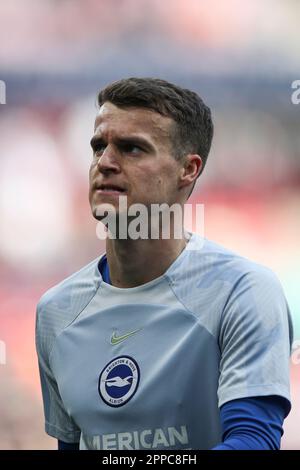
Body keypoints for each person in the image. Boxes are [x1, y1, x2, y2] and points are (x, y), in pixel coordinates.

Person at [36, 77, 293, 450]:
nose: (105, 163)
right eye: (98, 147)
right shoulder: (56, 312)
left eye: (132, 149)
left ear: (188, 169)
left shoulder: (242, 292)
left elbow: (253, 440)